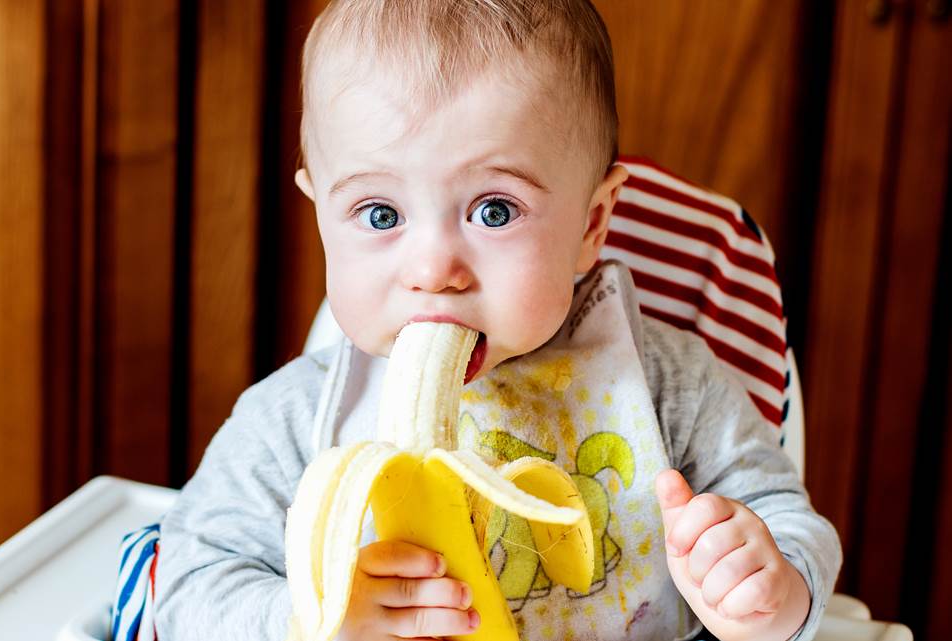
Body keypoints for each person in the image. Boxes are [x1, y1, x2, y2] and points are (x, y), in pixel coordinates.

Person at [154, 1, 841, 640]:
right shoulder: (295, 421)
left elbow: (787, 517)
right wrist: (312, 619)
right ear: (322, 216)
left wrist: (770, 588)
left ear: (592, 222)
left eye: (494, 211)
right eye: (380, 214)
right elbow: (186, 581)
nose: (433, 266)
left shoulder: (667, 387)